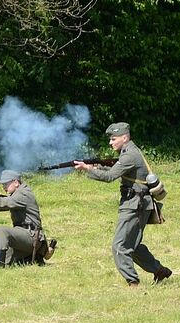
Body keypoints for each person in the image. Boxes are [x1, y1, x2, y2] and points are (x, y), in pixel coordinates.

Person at [73, 122, 171, 286]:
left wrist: (88, 169)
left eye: (113, 139)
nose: (110, 142)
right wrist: (94, 167)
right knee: (133, 246)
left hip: (135, 204)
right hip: (137, 202)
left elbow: (109, 177)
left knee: (119, 246)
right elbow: (115, 173)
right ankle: (159, 270)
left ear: (124, 137)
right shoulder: (129, 152)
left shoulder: (129, 156)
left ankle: (133, 282)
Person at [0, 169, 56, 267]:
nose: (4, 187)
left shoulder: (23, 193)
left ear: (15, 182)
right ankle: (33, 257)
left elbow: (4, 203)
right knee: (7, 259)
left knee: (2, 231)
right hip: (25, 236)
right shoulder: (17, 194)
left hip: (31, 236)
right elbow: (2, 205)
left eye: (6, 184)